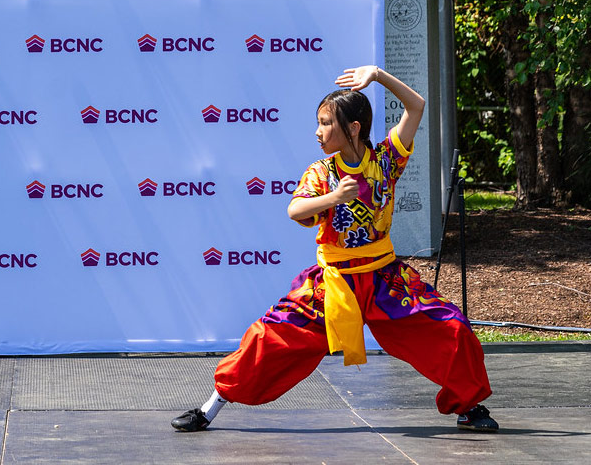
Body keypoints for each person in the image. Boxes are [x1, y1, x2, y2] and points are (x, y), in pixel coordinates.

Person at [171, 65, 498, 433]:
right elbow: (295, 210)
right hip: (334, 283)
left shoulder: (386, 161)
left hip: (382, 278)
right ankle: (211, 406)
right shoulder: (321, 172)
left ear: (353, 128)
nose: (318, 131)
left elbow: (417, 106)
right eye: (319, 122)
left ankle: (468, 407)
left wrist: (377, 75)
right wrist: (332, 197)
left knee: (451, 328)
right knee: (269, 337)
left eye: (326, 122)